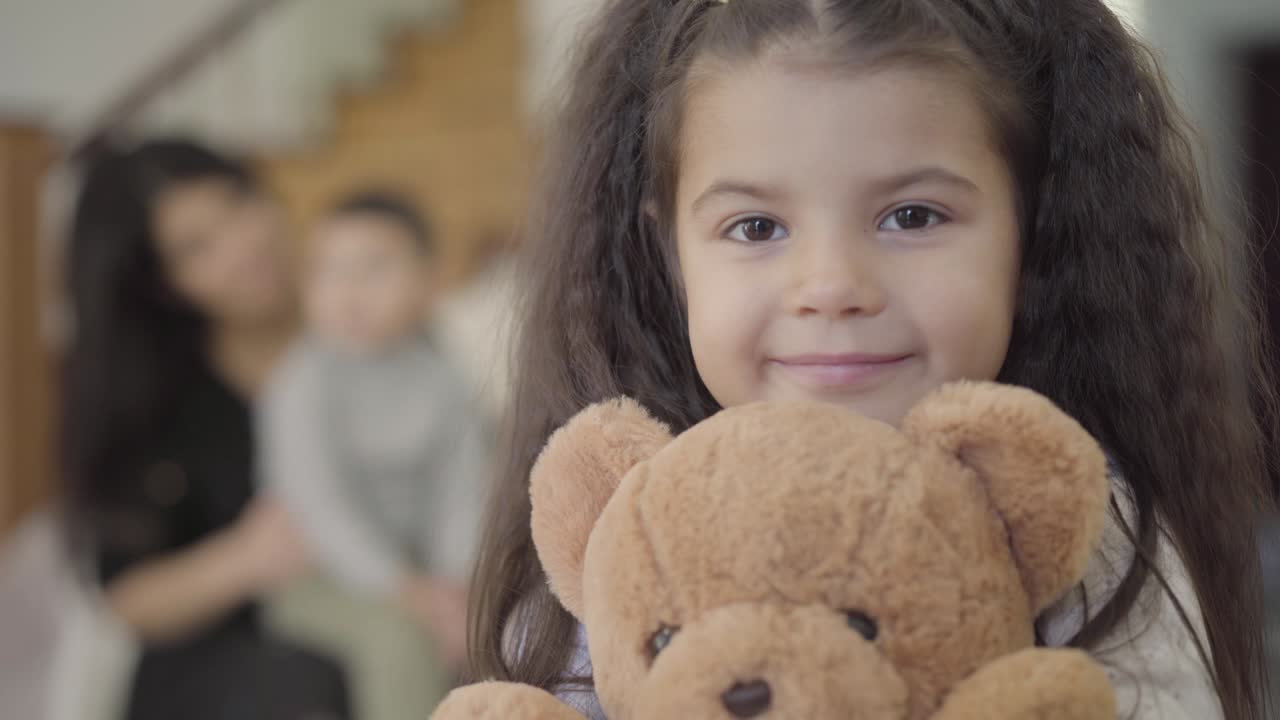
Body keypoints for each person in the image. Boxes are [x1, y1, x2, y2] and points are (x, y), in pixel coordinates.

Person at [465, 1, 1280, 719]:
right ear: (670, 256)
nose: (832, 286)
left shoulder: (1081, 531)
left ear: (1031, 235)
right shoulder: (623, 535)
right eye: (756, 228)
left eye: (913, 215)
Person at [60, 138, 350, 720]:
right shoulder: (158, 407)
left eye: (238, 203)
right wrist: (248, 556)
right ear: (166, 285)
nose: (245, 245)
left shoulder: (376, 342)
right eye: (197, 248)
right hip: (225, 674)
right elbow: (126, 596)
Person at [257, 191, 489, 713]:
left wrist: (456, 583)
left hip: (423, 568)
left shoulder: (443, 379)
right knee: (399, 640)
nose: (348, 291)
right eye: (328, 271)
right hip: (318, 575)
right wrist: (408, 591)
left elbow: (463, 488)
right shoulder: (302, 383)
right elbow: (321, 507)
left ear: (430, 282)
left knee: (490, 624)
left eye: (374, 268)